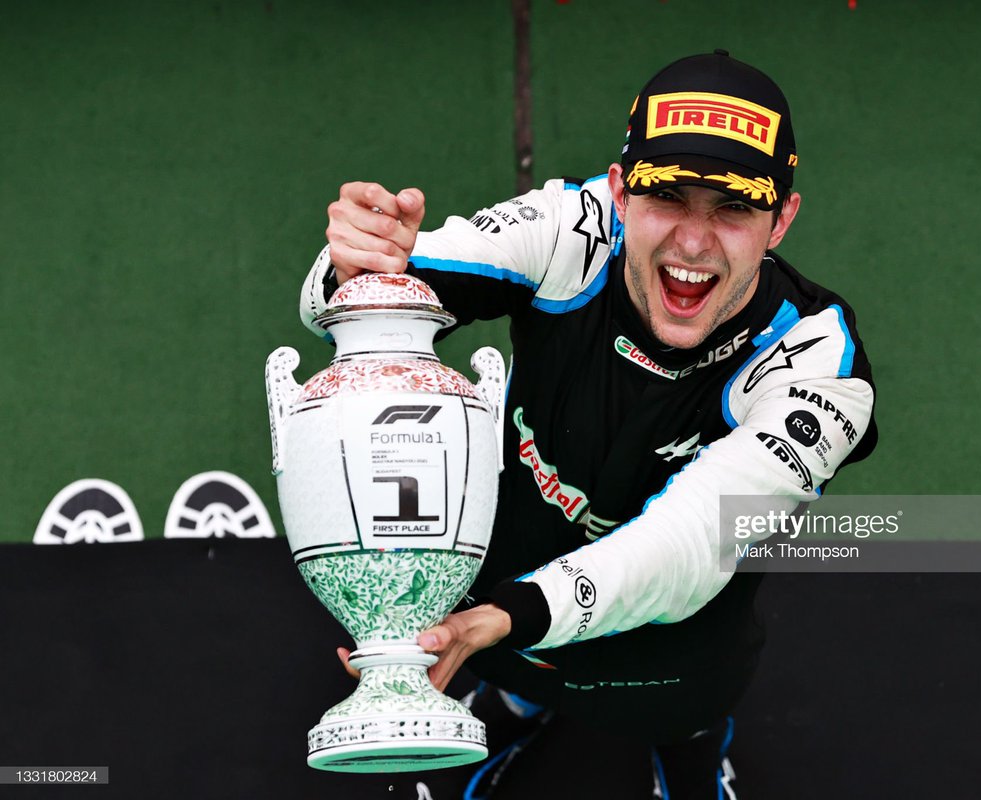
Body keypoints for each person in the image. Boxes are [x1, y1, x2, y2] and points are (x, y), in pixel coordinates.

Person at [301, 50, 878, 799]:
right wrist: (356, 266)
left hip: (662, 649)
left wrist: (508, 616)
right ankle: (520, 702)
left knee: (687, 718)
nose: (694, 242)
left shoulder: (818, 359)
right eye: (668, 196)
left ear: (781, 221)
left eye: (734, 208)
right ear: (619, 192)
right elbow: (377, 283)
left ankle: (691, 746)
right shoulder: (568, 230)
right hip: (503, 610)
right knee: (515, 678)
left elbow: (689, 544)